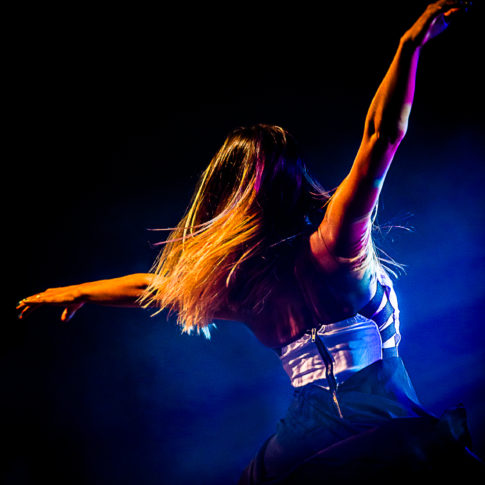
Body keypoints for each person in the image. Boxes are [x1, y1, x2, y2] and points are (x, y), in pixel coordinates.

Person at [17, 1, 484, 482]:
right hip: (387, 429)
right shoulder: (335, 246)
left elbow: (153, 288)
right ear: (293, 181)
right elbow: (379, 139)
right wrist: (409, 47)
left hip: (303, 449)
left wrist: (78, 291)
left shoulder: (247, 292)